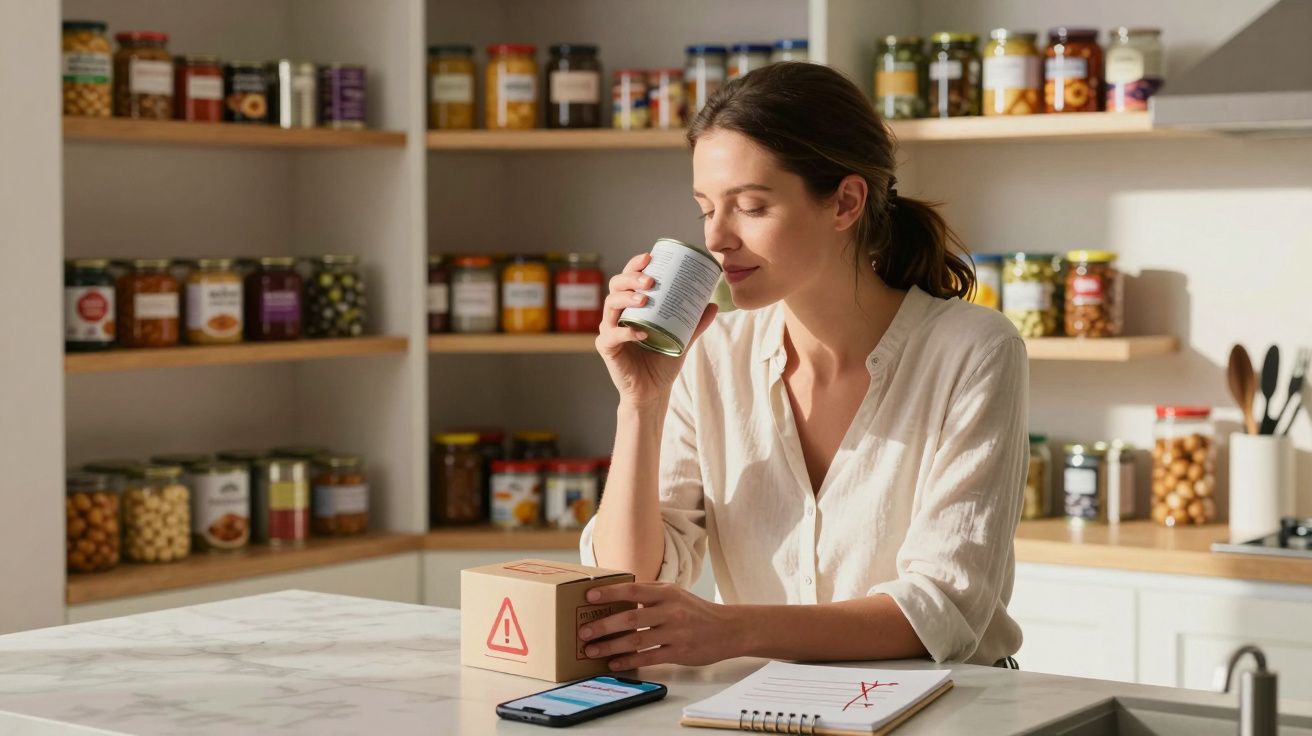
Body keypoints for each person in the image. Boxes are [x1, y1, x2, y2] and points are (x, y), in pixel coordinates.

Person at [577, 62, 1027, 672]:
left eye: (751, 207)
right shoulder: (709, 354)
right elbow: (625, 584)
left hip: (941, 715)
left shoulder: (973, 349)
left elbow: (944, 605)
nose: (718, 238)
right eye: (706, 208)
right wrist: (641, 402)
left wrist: (730, 629)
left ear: (845, 201)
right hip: (769, 709)